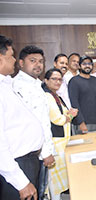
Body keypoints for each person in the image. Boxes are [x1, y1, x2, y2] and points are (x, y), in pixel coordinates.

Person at [0, 35, 44, 200]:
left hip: (27, 161)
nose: (13, 60)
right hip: (16, 166)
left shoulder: (6, 84)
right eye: (11, 55)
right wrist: (20, 182)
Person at [13, 45, 55, 199]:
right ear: (21, 63)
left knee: (38, 191)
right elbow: (35, 123)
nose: (38, 65)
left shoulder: (36, 85)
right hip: (26, 155)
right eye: (33, 61)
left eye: (41, 61)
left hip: (37, 153)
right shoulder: (17, 86)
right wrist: (46, 152)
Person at [42, 68, 78, 199]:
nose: (58, 82)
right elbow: (58, 119)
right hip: (55, 143)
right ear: (46, 80)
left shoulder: (55, 95)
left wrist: (68, 114)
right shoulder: (47, 96)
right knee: (55, 182)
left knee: (59, 178)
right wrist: (71, 115)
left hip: (62, 141)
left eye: (60, 79)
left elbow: (63, 115)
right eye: (54, 79)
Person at [68, 55, 96, 133]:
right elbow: (74, 103)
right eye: (84, 64)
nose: (87, 66)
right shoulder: (74, 81)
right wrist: (81, 122)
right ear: (79, 66)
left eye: (89, 64)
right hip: (82, 124)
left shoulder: (95, 80)